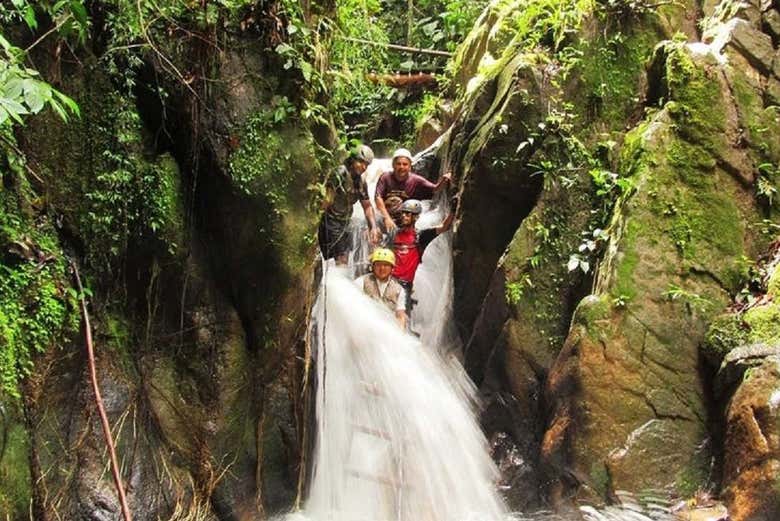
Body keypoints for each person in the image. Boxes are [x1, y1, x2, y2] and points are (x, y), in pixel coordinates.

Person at [388, 198, 454, 313]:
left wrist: (453, 211)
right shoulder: (394, 234)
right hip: (388, 281)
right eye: (403, 213)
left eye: (408, 214)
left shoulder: (421, 236)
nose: (404, 216)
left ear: (415, 217)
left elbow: (444, 227)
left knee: (401, 317)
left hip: (404, 285)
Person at [318, 144, 380, 264]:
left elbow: (367, 206)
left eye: (366, 164)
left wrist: (373, 227)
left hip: (345, 223)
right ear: (352, 159)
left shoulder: (361, 182)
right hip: (331, 222)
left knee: (365, 237)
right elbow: (327, 198)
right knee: (341, 260)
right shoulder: (340, 173)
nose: (363, 167)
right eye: (361, 162)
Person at [374, 148, 452, 232]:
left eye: (405, 164)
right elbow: (378, 197)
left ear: (410, 166)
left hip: (404, 219)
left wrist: (444, 179)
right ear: (393, 165)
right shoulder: (385, 177)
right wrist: (386, 218)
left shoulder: (416, 180)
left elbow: (435, 189)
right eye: (398, 164)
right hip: (385, 215)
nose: (401, 167)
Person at [355, 248, 408, 329]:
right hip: (364, 328)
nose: (382, 268)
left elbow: (400, 314)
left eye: (386, 265)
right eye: (378, 264)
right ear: (372, 266)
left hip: (387, 330)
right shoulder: (361, 282)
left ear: (392, 268)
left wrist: (401, 333)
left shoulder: (399, 290)